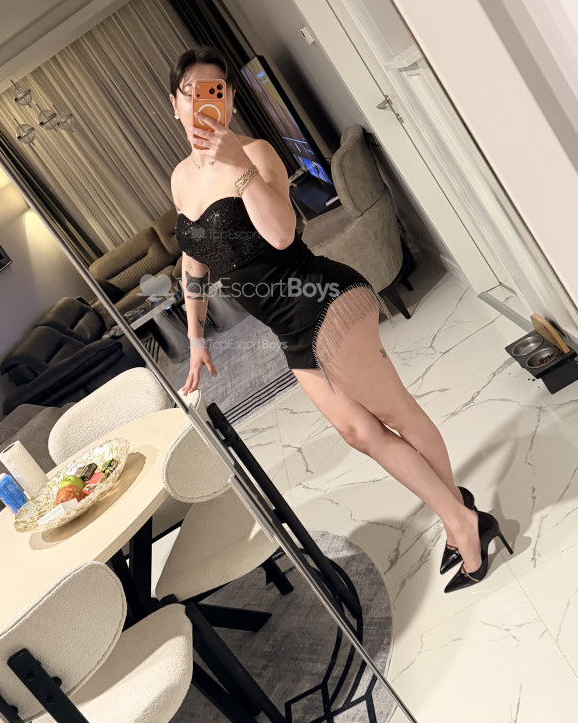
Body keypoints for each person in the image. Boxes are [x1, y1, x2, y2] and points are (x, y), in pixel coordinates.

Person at [168, 46, 510, 592]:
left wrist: (238, 167)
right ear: (175, 104)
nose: (205, 102)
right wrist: (194, 336)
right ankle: (460, 514)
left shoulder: (255, 154)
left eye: (217, 90)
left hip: (322, 300)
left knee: (396, 414)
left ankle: (463, 525)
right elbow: (193, 261)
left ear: (229, 100)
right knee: (359, 433)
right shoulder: (181, 178)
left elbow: (281, 234)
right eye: (193, 92)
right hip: (288, 329)